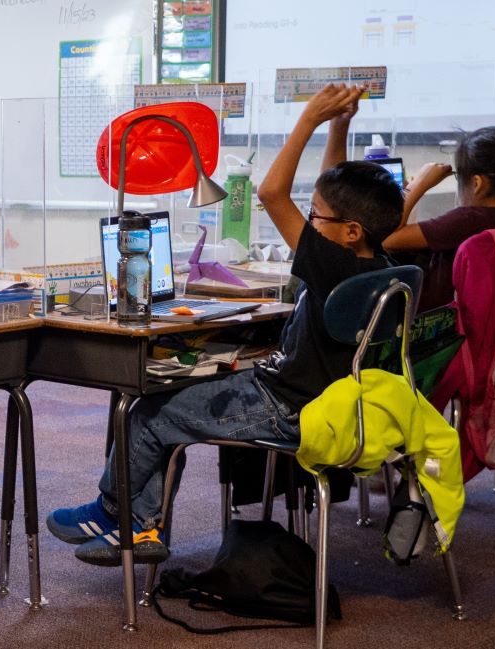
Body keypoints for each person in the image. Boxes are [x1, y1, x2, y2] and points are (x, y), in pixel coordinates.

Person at [46, 84, 400, 566]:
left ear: (349, 232)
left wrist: (310, 119)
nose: (309, 221)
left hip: (285, 406)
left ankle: (120, 515)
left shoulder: (331, 265)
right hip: (321, 401)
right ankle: (137, 523)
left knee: (146, 415)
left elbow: (272, 192)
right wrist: (341, 126)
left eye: (316, 216)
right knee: (160, 401)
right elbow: (334, 191)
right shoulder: (376, 263)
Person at [382, 126, 495, 309]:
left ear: (477, 184)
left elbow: (387, 239)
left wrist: (418, 184)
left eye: (458, 177)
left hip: (438, 323)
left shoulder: (467, 220)